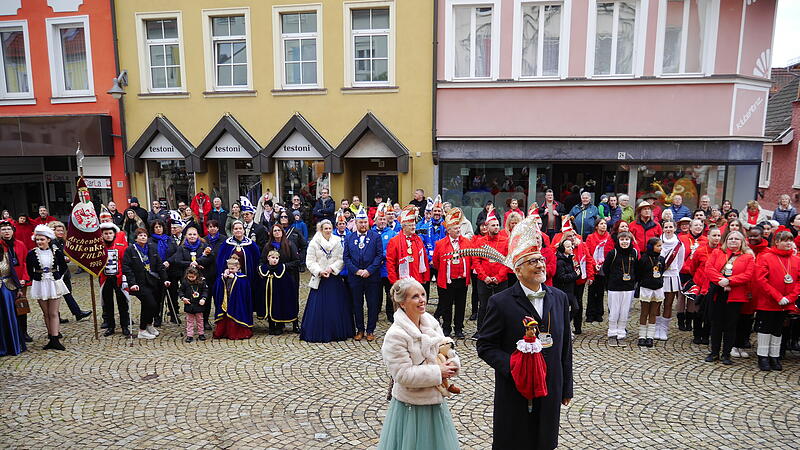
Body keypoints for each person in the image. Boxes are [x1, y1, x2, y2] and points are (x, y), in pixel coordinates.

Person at [476, 214, 573, 450]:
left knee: (544, 439)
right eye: (532, 262)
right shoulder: (500, 302)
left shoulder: (559, 298)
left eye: (540, 259)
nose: (540, 265)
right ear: (518, 270)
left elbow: (566, 348)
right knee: (514, 439)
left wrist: (566, 386)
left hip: (550, 384)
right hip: (515, 387)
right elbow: (485, 346)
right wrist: (514, 365)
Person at [377, 277, 460, 450]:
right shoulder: (396, 335)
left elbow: (446, 347)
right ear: (402, 303)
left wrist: (452, 362)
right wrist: (438, 372)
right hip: (411, 407)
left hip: (435, 402)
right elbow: (402, 375)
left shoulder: (430, 321)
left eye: (423, 294)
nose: (422, 299)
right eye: (415, 296)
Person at [704, 230, 754, 365]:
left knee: (730, 325)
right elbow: (709, 268)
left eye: (736, 239)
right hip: (717, 293)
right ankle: (714, 352)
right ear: (726, 241)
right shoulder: (718, 252)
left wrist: (730, 281)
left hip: (735, 295)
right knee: (716, 324)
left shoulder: (748, 257)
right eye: (730, 238)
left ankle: (726, 354)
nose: (733, 241)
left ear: (742, 242)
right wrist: (720, 280)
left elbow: (748, 275)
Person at [300, 220, 355, 342]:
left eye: (330, 228)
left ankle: (337, 331)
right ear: (321, 229)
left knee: (337, 305)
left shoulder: (337, 241)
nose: (328, 231)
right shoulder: (314, 243)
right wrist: (319, 271)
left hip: (333, 277)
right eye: (326, 228)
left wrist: (332, 268)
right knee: (319, 307)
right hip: (320, 278)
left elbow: (341, 259)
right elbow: (310, 261)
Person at [754, 230, 799, 371]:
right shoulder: (766, 257)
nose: (788, 243)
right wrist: (778, 297)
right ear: (777, 242)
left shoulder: (796, 260)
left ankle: (774, 356)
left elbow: (798, 281)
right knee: (765, 328)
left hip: (786, 303)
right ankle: (763, 356)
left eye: (790, 240)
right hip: (769, 301)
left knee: (778, 330)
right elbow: (761, 280)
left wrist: (790, 298)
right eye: (785, 240)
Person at [343, 207, 383, 341]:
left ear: (368, 222)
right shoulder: (349, 238)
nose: (363, 224)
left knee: (372, 304)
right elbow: (346, 257)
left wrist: (369, 270)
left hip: (372, 277)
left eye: (365, 222)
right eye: (361, 222)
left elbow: (379, 256)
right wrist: (356, 270)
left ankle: (370, 330)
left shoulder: (376, 237)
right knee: (357, 304)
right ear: (356, 223)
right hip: (355, 277)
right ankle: (359, 329)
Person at [26, 225, 70, 350]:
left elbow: (63, 267)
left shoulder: (56, 252)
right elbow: (29, 269)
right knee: (46, 313)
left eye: (42, 239)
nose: (39, 242)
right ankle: (51, 336)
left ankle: (56, 338)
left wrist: (57, 277)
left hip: (53, 283)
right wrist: (36, 277)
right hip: (40, 283)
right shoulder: (32, 254)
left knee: (53, 312)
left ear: (48, 240)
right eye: (38, 239)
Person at [432, 208, 472, 340]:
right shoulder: (440, 244)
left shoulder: (466, 242)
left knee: (461, 305)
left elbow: (470, 259)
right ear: (448, 230)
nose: (458, 230)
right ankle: (446, 328)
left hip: (461, 280)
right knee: (446, 305)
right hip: (446, 280)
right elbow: (436, 263)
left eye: (459, 228)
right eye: (455, 228)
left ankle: (459, 328)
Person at [123, 228, 170, 340]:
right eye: (140, 235)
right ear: (135, 238)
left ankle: (149, 325)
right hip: (139, 283)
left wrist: (165, 279)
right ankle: (142, 330)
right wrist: (132, 283)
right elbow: (126, 267)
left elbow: (159, 265)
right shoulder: (131, 250)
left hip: (153, 280)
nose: (143, 237)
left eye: (145, 235)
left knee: (152, 305)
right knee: (150, 303)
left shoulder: (152, 248)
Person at [472, 207, 509, 337]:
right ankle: (481, 330)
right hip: (484, 280)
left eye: (498, 225)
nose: (496, 227)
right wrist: (484, 277)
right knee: (483, 306)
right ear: (487, 227)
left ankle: (501, 330)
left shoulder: (505, 241)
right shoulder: (480, 242)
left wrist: (499, 277)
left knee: (502, 305)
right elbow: (476, 261)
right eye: (493, 225)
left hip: (501, 280)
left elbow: (507, 261)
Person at [47, 221, 92, 323]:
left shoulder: (62, 241)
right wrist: (64, 258)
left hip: (64, 271)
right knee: (57, 295)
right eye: (58, 230)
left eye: (62, 230)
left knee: (67, 292)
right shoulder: (52, 242)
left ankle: (76, 313)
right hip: (57, 272)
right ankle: (71, 314)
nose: (60, 232)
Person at [260, 224, 301, 334]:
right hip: (273, 280)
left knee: (290, 299)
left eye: (279, 230)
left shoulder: (289, 244)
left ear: (282, 232)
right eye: (274, 231)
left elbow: (297, 261)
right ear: (271, 233)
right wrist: (267, 268)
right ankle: (275, 324)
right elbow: (262, 261)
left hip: (287, 278)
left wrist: (283, 266)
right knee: (274, 301)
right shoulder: (268, 246)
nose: (277, 232)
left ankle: (294, 323)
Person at [603, 231, 638, 347]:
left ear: (630, 241)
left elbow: (636, 268)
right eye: (622, 240)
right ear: (618, 241)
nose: (624, 242)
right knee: (614, 311)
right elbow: (606, 269)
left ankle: (621, 333)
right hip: (614, 287)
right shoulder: (613, 253)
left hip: (628, 287)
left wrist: (633, 281)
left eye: (627, 240)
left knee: (624, 311)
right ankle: (612, 333)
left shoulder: (634, 252)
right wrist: (611, 282)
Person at [689, 227, 722, 345]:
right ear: (708, 236)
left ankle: (706, 335)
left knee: (710, 312)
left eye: (718, 236)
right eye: (714, 235)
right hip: (700, 284)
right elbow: (693, 268)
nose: (716, 238)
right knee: (698, 311)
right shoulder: (700, 251)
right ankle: (697, 334)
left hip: (713, 286)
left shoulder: (722, 252)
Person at [386, 206, 431, 292]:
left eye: (414, 225)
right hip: (402, 281)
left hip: (417, 279)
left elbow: (424, 259)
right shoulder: (394, 241)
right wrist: (395, 282)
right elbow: (390, 264)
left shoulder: (418, 239)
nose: (414, 227)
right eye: (410, 225)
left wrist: (425, 277)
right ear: (403, 227)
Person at [0, 221, 31, 342]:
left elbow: (24, 262)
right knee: (7, 308)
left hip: (20, 280)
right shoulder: (0, 246)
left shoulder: (20, 244)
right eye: (3, 229)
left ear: (13, 231)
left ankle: (23, 332)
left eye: (8, 229)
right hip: (5, 280)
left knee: (21, 305)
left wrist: (24, 278)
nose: (6, 232)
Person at [655, 220, 685, 341]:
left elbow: (680, 263)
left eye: (670, 227)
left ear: (675, 228)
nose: (668, 229)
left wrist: (672, 271)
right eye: (666, 227)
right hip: (659, 276)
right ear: (662, 228)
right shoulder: (657, 242)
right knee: (657, 302)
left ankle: (664, 329)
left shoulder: (679, 244)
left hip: (672, 276)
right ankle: (656, 327)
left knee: (668, 304)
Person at [99, 222, 130, 337]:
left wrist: (125, 276)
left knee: (122, 303)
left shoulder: (120, 246)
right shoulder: (99, 247)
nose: (108, 235)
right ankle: (110, 326)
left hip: (119, 277)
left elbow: (125, 261)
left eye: (110, 233)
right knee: (108, 304)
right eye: (105, 233)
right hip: (105, 278)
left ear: (114, 234)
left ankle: (125, 326)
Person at [677, 219, 708, 332]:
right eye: (695, 225)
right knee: (681, 297)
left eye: (700, 225)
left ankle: (689, 320)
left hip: (696, 273)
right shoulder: (682, 239)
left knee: (692, 297)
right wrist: (684, 267)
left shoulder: (705, 240)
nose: (698, 227)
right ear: (690, 227)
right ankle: (680, 320)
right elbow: (678, 255)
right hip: (683, 271)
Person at [213, 256, 253, 340]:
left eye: (233, 268)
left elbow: (244, 289)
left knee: (235, 314)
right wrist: (223, 277)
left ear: (238, 268)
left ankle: (235, 332)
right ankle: (224, 331)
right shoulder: (224, 275)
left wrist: (235, 278)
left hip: (237, 301)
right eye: (229, 268)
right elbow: (218, 286)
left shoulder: (242, 278)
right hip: (226, 299)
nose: (230, 270)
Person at [636, 238, 665, 347]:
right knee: (644, 312)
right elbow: (639, 273)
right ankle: (642, 335)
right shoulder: (644, 259)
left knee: (653, 313)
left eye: (661, 246)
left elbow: (662, 271)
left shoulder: (661, 259)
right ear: (651, 246)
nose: (660, 248)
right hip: (646, 288)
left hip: (657, 288)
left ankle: (650, 336)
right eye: (658, 246)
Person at [0, 234, 25, 356]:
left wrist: (19, 288)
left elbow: (13, 273)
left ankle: (12, 346)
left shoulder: (6, 256)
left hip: (7, 290)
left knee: (9, 317)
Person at [372, 202, 397, 323]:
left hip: (387, 269)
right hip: (375, 269)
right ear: (375, 220)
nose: (382, 221)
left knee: (389, 293)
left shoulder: (392, 233)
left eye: (384, 219)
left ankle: (390, 313)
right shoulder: (371, 233)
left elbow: (393, 250)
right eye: (380, 219)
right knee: (376, 294)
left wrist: (381, 254)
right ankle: (375, 313)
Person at [585, 220, 612, 323]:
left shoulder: (609, 237)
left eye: (605, 224)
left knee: (601, 292)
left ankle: (599, 313)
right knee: (591, 291)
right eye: (601, 224)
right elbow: (588, 252)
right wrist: (593, 263)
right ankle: (590, 314)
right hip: (593, 266)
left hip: (604, 267)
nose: (603, 226)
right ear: (596, 226)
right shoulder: (590, 237)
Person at [554, 239, 580, 325]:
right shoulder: (560, 261)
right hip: (563, 290)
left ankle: (565, 324)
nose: (571, 248)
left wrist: (578, 272)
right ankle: (564, 326)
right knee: (563, 311)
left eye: (571, 246)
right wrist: (574, 274)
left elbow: (577, 273)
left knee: (575, 308)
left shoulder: (571, 258)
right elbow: (561, 277)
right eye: (568, 246)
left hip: (571, 290)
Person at [179, 267, 208, 343]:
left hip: (199, 304)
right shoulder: (185, 282)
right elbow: (180, 291)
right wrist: (183, 298)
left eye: (193, 277)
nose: (191, 278)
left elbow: (205, 291)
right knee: (189, 321)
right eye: (189, 277)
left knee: (200, 320)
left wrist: (203, 298)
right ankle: (190, 335)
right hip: (189, 304)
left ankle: (201, 334)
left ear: (196, 276)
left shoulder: (201, 282)